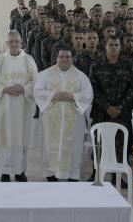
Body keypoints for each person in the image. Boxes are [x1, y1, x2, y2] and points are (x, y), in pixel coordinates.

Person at [33, 47, 93, 181]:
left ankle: (72, 175)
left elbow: (88, 93)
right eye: (62, 56)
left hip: (74, 121)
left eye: (67, 57)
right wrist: (53, 95)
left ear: (72, 58)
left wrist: (73, 96)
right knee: (50, 144)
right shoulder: (46, 74)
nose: (64, 59)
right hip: (51, 120)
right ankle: (51, 173)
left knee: (74, 146)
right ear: (57, 58)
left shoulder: (80, 76)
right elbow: (37, 91)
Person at [0, 31, 38, 182]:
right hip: (5, 107)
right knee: (5, 140)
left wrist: (23, 89)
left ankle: (19, 171)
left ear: (21, 43)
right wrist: (5, 89)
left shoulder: (28, 60)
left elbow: (35, 81)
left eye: (17, 41)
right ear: (7, 43)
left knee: (21, 140)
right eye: (11, 42)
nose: (14, 44)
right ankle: (5, 171)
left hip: (23, 107)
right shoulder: (0, 61)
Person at [89, 36, 133, 185]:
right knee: (99, 142)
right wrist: (107, 106)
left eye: (117, 44)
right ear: (105, 47)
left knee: (120, 143)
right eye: (111, 44)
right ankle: (95, 173)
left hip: (122, 112)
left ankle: (118, 176)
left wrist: (120, 107)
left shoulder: (129, 65)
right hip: (101, 111)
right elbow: (93, 88)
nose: (114, 47)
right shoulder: (97, 65)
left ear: (120, 47)